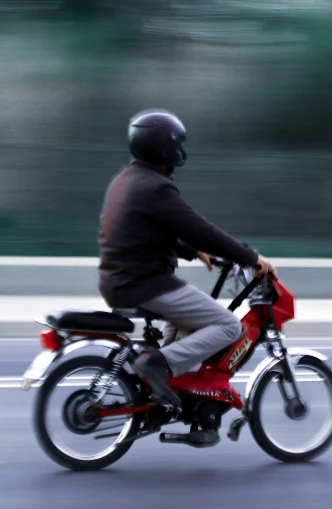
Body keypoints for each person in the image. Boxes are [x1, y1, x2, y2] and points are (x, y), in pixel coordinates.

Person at [97, 108, 277, 407]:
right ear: (163, 147)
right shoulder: (156, 187)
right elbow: (199, 229)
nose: (180, 150)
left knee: (186, 327)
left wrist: (193, 252)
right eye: (176, 143)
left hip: (122, 281)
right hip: (145, 283)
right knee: (229, 326)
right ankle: (157, 365)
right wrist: (251, 258)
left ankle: (163, 393)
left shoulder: (126, 180)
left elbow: (147, 230)